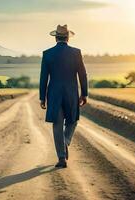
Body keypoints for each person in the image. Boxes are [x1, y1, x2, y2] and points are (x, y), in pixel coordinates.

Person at [39, 24, 88, 168]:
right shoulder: (76, 53)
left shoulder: (47, 54)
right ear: (68, 37)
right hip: (71, 93)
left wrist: (42, 97)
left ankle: (61, 158)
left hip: (54, 94)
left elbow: (43, 77)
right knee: (73, 120)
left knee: (57, 125)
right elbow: (83, 74)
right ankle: (66, 142)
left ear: (55, 38)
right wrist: (84, 93)